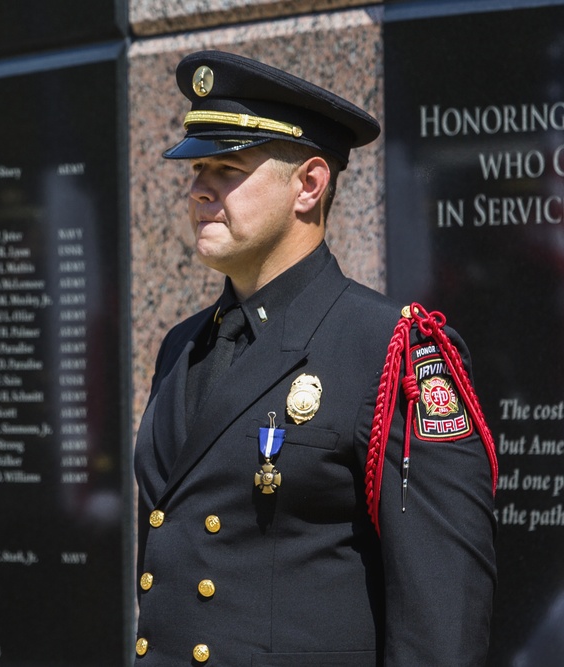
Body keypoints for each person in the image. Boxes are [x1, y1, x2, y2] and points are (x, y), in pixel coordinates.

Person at [133, 50, 498, 666]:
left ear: (309, 184)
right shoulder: (182, 346)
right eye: (196, 169)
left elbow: (446, 616)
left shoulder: (391, 350)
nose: (200, 188)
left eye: (227, 167)